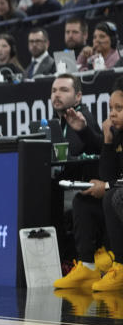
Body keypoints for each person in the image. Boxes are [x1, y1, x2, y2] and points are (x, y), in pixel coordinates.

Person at [55, 78, 123, 291]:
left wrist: (108, 187)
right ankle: (87, 266)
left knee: (113, 196)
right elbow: (106, 174)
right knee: (83, 200)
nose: (112, 113)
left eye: (119, 108)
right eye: (111, 108)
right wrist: (109, 143)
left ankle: (119, 265)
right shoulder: (117, 133)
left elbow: (110, 183)